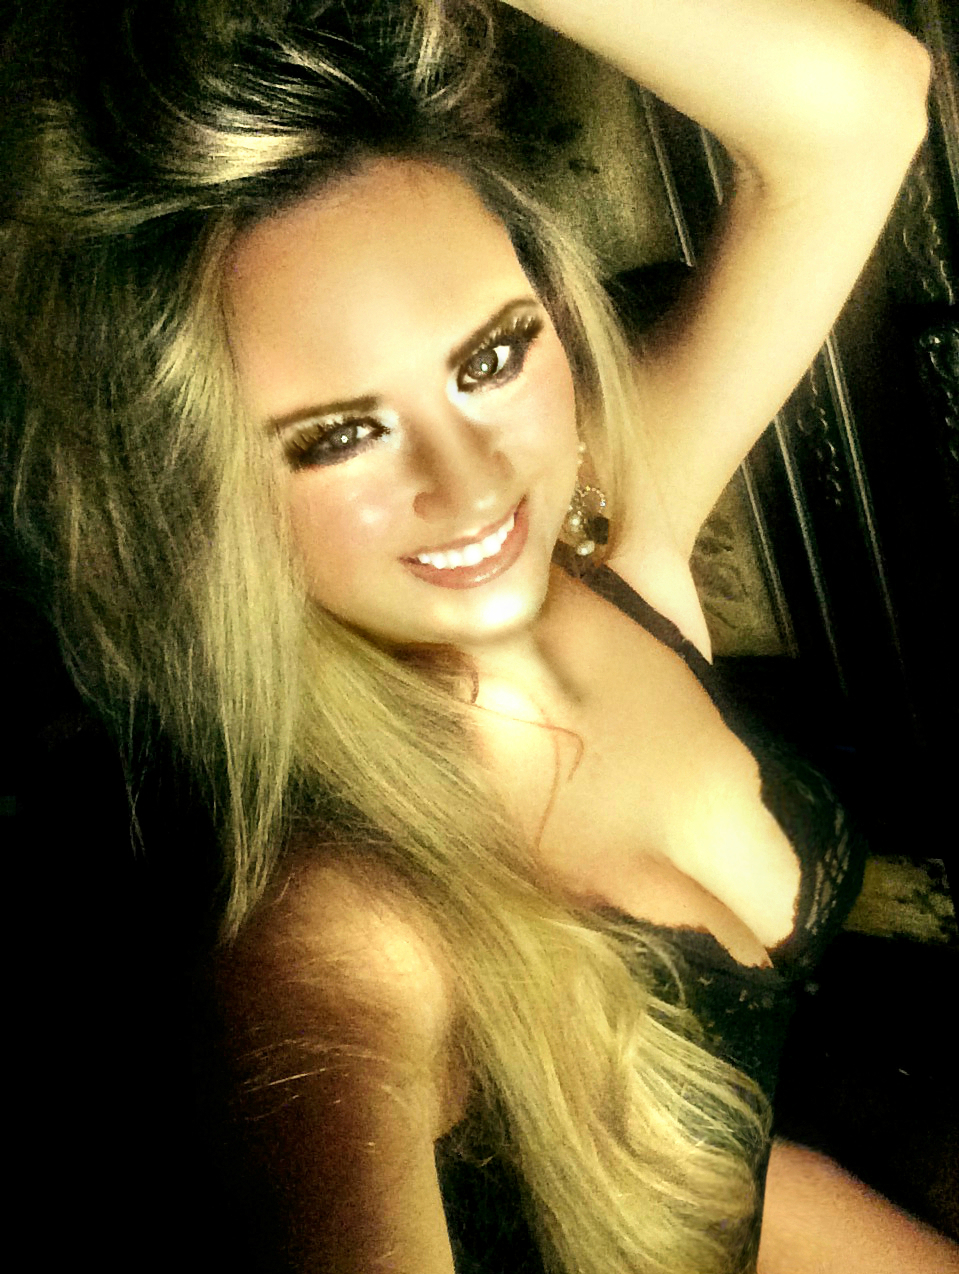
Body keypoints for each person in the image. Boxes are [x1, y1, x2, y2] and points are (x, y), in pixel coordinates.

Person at [3, 1, 955, 1271]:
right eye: (340, 435)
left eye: (491, 356)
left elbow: (858, 107)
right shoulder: (335, 935)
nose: (470, 485)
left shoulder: (608, 547)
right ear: (202, 488)